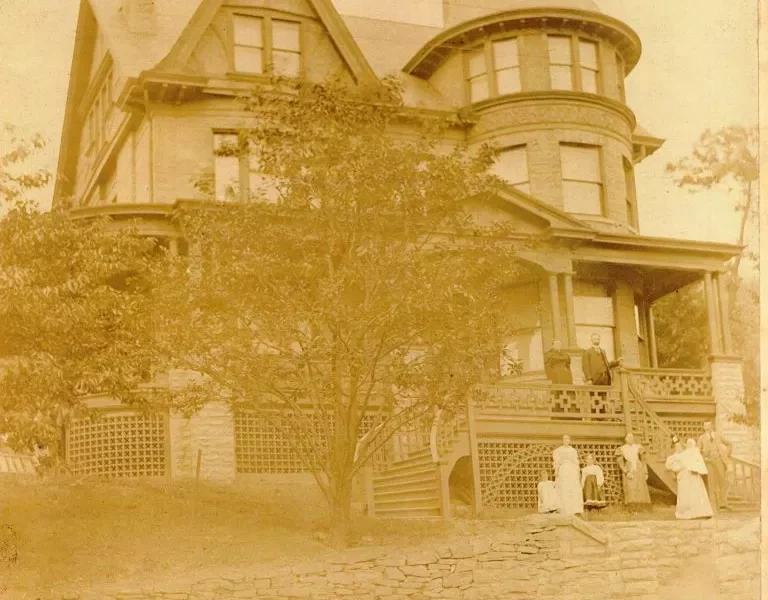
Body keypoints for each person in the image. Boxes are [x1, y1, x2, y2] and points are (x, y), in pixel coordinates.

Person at [666, 437, 713, 520]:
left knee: (695, 493)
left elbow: (695, 462)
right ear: (674, 448)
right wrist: (680, 467)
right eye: (676, 447)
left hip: (691, 476)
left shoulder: (687, 454)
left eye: (679, 446)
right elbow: (672, 466)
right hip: (683, 477)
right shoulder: (674, 457)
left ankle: (700, 512)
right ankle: (684, 513)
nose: (678, 448)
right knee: (684, 495)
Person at [696, 421, 732, 511]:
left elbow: (729, 444)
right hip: (709, 463)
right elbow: (697, 452)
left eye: (708, 425)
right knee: (711, 483)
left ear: (712, 426)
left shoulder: (718, 435)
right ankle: (713, 506)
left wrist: (725, 454)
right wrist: (704, 459)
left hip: (719, 461)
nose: (707, 427)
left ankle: (723, 503)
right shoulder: (701, 438)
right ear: (703, 427)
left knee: (722, 482)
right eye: (705, 426)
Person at [615, 433, 651, 510]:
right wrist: (626, 471)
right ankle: (632, 508)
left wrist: (645, 472)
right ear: (625, 439)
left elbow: (643, 460)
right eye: (628, 437)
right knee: (630, 487)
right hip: (629, 467)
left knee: (640, 487)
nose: (630, 439)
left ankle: (642, 507)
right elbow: (620, 462)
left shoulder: (638, 447)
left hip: (639, 468)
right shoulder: (622, 448)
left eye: (631, 437)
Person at [553, 435, 583, 516]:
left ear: (570, 440)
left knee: (573, 488)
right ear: (562, 440)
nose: (566, 440)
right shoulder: (559, 450)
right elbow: (557, 462)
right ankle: (565, 509)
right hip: (563, 470)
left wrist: (577, 472)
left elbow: (576, 462)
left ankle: (575, 509)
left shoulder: (573, 450)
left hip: (572, 471)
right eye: (564, 439)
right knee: (564, 488)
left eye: (567, 439)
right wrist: (556, 471)